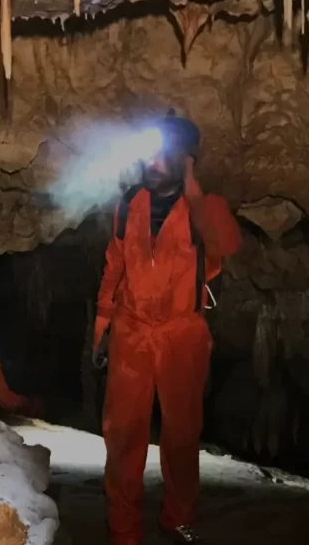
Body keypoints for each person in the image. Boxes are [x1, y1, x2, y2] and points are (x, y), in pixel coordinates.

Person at [92, 110, 242, 544]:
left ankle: (177, 519)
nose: (151, 160)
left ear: (184, 159)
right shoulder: (128, 207)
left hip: (183, 332)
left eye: (163, 153)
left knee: (180, 436)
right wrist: (101, 328)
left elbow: (226, 245)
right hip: (131, 330)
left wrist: (194, 193)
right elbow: (112, 271)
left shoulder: (205, 208)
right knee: (123, 435)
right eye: (149, 152)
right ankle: (123, 529)